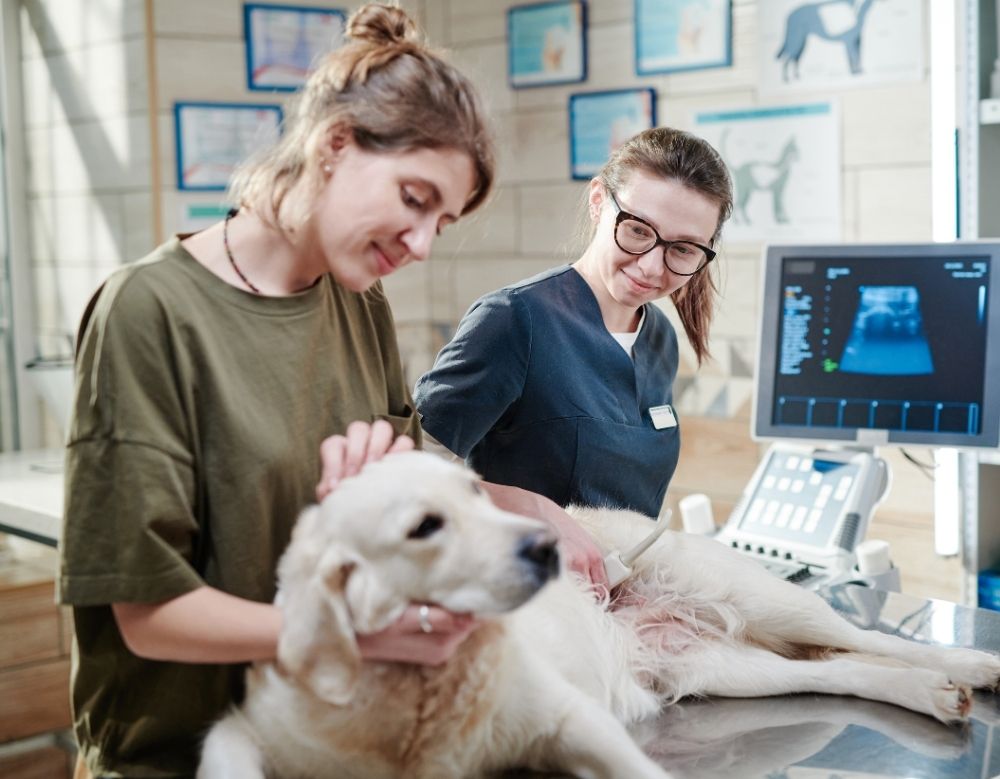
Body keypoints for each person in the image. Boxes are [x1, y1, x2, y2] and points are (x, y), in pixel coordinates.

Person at [59, 6, 499, 777]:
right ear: (336, 144)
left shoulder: (360, 302)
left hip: (328, 742)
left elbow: (387, 531)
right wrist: (348, 633)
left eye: (444, 222)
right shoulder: (148, 311)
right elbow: (150, 614)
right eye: (414, 197)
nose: (423, 243)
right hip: (176, 758)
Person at [414, 126, 734, 521]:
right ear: (598, 202)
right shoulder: (514, 320)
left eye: (682, 249)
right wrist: (530, 507)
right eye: (637, 230)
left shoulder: (659, 337)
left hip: (624, 561)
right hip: (532, 559)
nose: (652, 267)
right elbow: (411, 465)